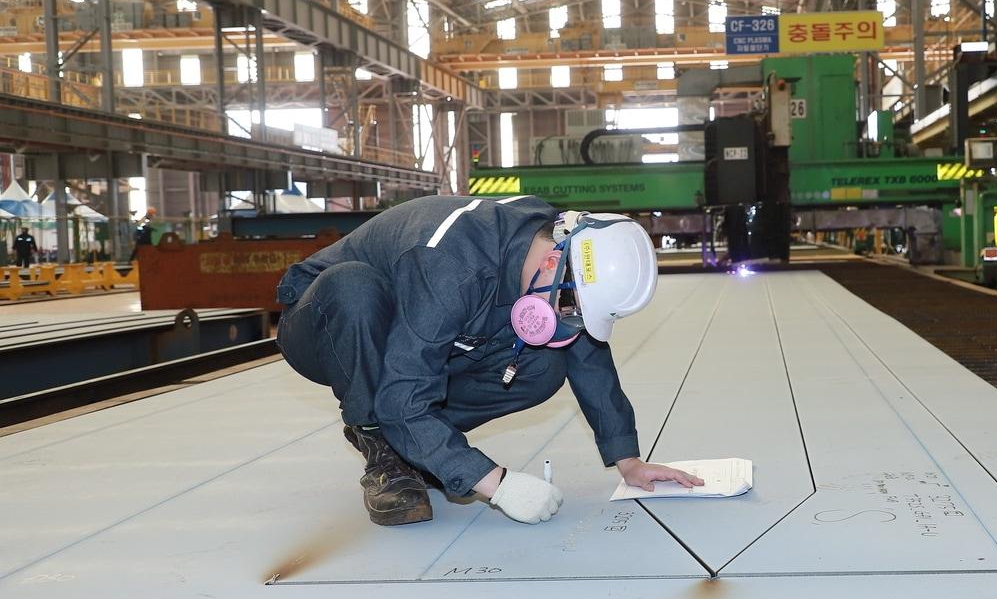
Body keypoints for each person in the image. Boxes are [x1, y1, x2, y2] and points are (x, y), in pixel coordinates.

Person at [274, 195, 702, 527]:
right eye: (571, 302)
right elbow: (403, 392)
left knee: (542, 364)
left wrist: (628, 459)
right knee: (355, 291)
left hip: (416, 328)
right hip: (325, 323)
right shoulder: (450, 266)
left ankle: (422, 442)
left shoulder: (554, 244)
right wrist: (494, 483)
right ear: (555, 258)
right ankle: (383, 444)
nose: (568, 316)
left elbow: (586, 352)